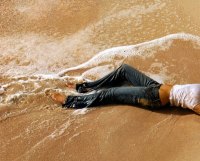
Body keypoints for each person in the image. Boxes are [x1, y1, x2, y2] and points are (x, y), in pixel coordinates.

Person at [50, 63, 200, 115]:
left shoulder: (196, 103)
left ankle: (71, 101)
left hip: (154, 98)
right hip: (156, 87)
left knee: (111, 93)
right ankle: (85, 87)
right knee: (124, 70)